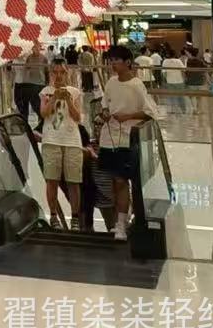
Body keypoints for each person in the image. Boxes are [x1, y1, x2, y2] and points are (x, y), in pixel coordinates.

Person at [95, 45, 157, 241]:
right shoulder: (111, 82)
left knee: (122, 180)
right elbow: (105, 104)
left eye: (116, 60)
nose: (113, 64)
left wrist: (128, 116)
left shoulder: (136, 85)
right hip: (109, 138)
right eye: (111, 60)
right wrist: (105, 113)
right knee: (115, 181)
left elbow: (149, 112)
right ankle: (121, 219)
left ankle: (123, 223)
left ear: (128, 62)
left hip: (128, 138)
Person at [39, 58, 84, 229]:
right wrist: (54, 98)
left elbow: (78, 117)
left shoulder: (75, 92)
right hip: (51, 140)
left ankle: (75, 217)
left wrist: (68, 100)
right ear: (50, 73)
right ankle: (53, 215)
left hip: (72, 141)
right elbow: (44, 113)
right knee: (52, 180)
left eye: (62, 72)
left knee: (74, 181)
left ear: (67, 73)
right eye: (55, 72)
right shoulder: (45, 92)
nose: (58, 76)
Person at [13, 48, 48, 128]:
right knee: (21, 105)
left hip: (31, 84)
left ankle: (40, 124)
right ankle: (25, 125)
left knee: (35, 105)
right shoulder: (16, 58)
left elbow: (45, 71)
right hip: (19, 83)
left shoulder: (29, 56)